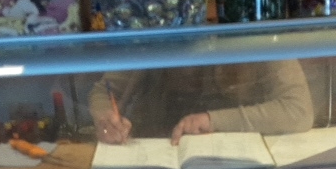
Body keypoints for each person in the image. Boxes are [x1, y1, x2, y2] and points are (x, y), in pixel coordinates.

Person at [89, 60, 315, 145]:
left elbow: (298, 110)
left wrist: (212, 120)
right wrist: (107, 119)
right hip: (155, 158)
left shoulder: (252, 21)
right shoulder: (156, 23)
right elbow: (104, 92)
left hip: (241, 166)